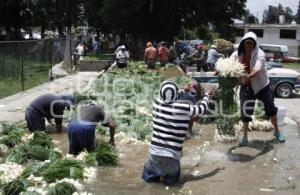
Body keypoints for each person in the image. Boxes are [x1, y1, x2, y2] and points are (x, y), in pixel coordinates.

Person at [142, 80, 213, 185]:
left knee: (150, 183)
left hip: (154, 153)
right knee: (171, 186)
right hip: (172, 156)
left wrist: (183, 90)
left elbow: (169, 97)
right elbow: (201, 109)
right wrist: (207, 95)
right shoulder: (185, 108)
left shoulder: (156, 103)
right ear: (176, 94)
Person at [230, 31, 285, 146]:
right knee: (245, 111)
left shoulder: (260, 54)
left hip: (262, 86)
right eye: (246, 43)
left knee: (270, 109)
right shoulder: (238, 54)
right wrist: (220, 70)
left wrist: (248, 76)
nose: (248, 45)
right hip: (247, 87)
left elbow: (258, 69)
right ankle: (245, 137)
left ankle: (277, 132)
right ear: (243, 44)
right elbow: (229, 64)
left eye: (251, 43)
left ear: (254, 44)